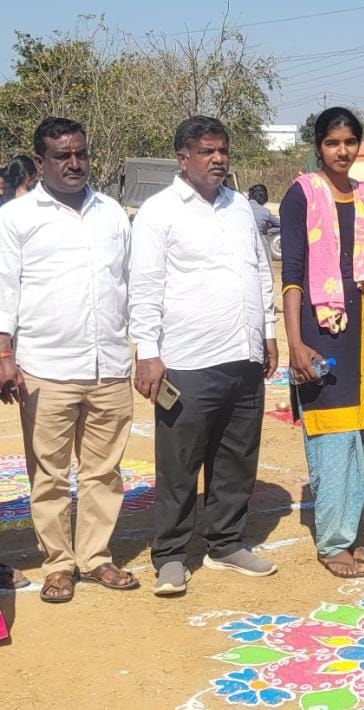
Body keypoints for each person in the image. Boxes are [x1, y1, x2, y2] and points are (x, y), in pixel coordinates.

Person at [130, 117, 280, 594]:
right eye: (206, 151)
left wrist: (268, 332)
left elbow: (260, 271)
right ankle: (171, 555)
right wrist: (148, 353)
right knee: (179, 463)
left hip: (243, 355)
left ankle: (226, 543)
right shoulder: (158, 212)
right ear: (182, 158)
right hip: (187, 361)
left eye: (223, 150)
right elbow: (145, 286)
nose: (218, 159)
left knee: (237, 457)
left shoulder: (241, 209)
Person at [0, 117, 137, 603]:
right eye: (62, 156)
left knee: (104, 472)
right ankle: (58, 565)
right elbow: (5, 288)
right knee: (50, 475)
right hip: (46, 367)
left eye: (81, 153)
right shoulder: (17, 217)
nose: (74, 163)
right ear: (41, 162)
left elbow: (131, 285)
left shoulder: (112, 213)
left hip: (109, 366)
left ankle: (95, 556)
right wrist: (4, 353)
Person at [280, 107, 364, 579]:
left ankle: (351, 532)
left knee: (357, 434)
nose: (343, 151)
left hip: (357, 327)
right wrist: (295, 341)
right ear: (318, 146)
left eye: (350, 142)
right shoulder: (302, 193)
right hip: (319, 330)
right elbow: (293, 272)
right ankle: (333, 541)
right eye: (333, 142)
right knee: (330, 436)